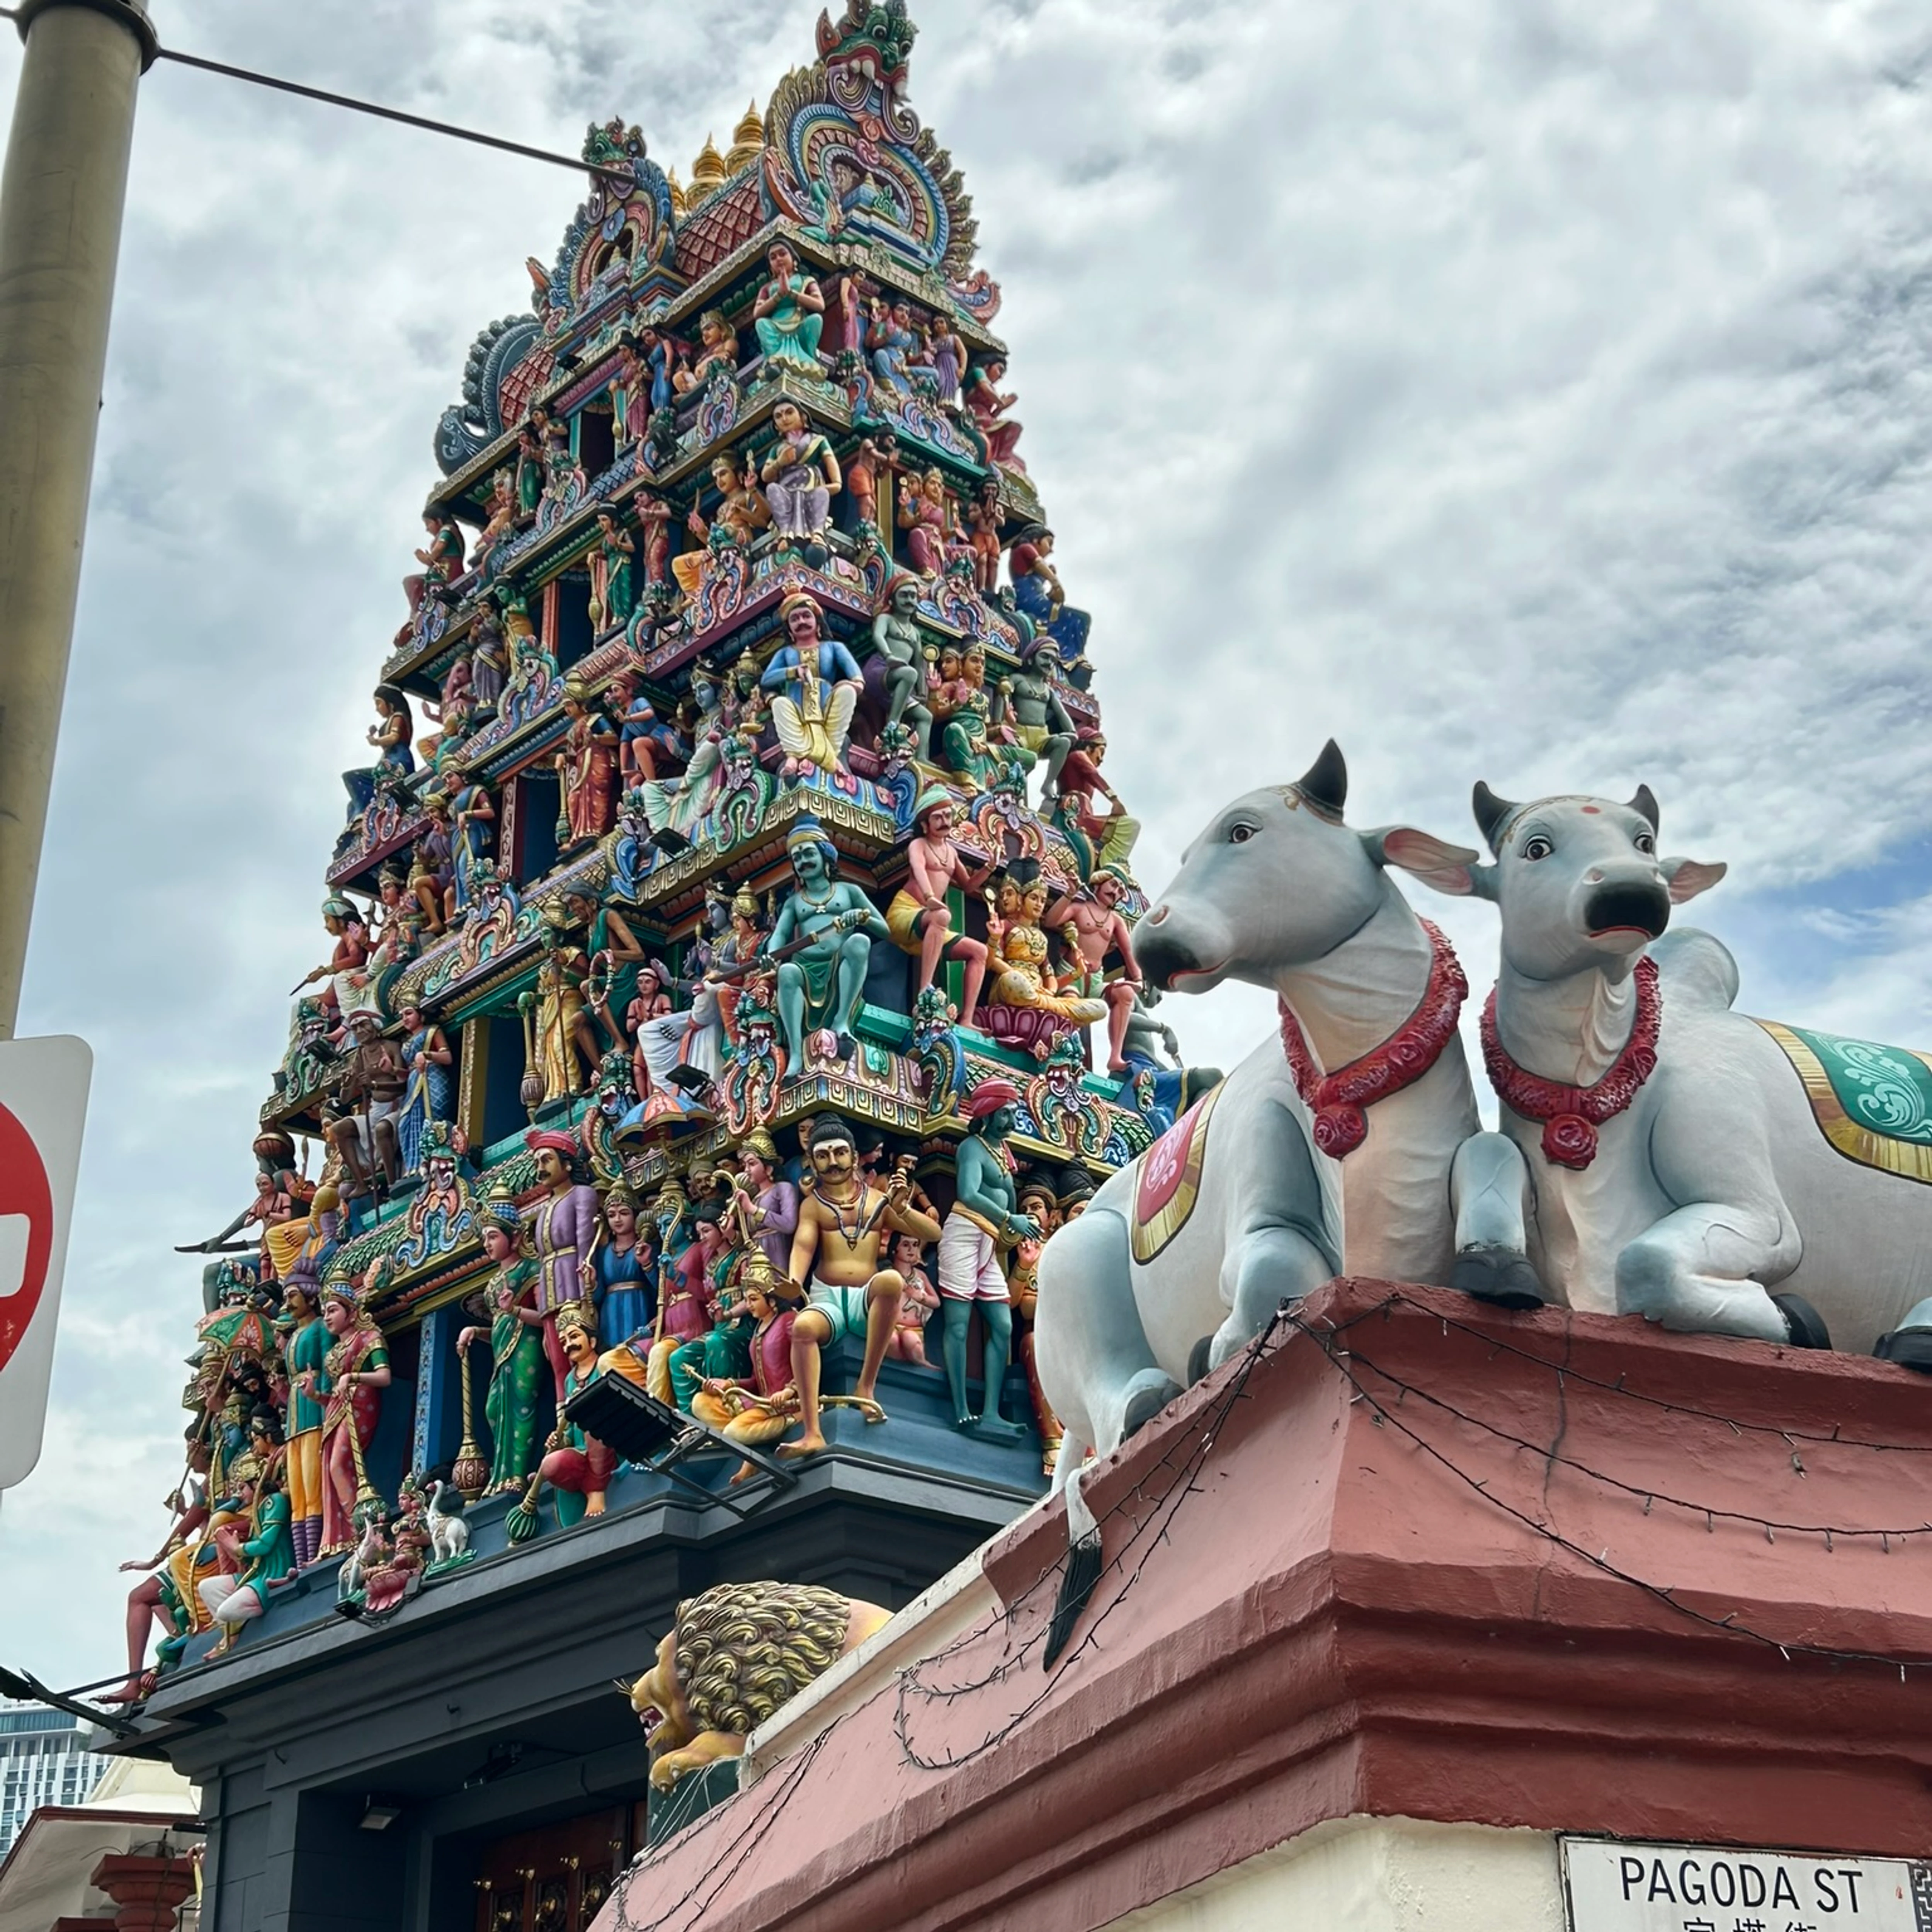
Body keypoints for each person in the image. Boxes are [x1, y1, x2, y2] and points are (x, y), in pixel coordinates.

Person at [782, 1113, 940, 1459]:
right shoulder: (813, 1206)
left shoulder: (878, 1201)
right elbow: (804, 1245)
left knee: (890, 1280)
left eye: (840, 1153)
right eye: (823, 1155)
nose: (833, 1162)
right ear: (812, 1161)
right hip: (827, 1297)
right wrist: (794, 1281)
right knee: (803, 1327)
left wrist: (903, 1210)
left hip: (865, 1300)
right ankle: (812, 1432)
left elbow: (934, 1233)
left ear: (855, 1157)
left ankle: (866, 1386)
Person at [938, 1080, 1038, 1431]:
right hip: (964, 1234)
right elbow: (968, 1193)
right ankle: (961, 1408)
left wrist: (1019, 1230)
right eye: (1006, 1113)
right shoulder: (973, 1148)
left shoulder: (1002, 1154)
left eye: (1014, 1113)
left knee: (1003, 1325)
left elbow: (1007, 1202)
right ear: (988, 1114)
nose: (1012, 1120)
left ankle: (992, 1413)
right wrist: (1011, 1218)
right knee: (959, 1323)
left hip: (991, 1243)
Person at [768, 816, 888, 1066]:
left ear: (826, 856)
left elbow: (885, 930)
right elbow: (780, 934)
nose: (803, 861)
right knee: (787, 971)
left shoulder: (849, 891)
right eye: (797, 858)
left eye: (809, 854)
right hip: (805, 967)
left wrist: (862, 916)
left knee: (859, 942)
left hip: (839, 964)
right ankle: (797, 1052)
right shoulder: (794, 902)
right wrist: (771, 955)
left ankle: (841, 1020)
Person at [457, 1189, 546, 1495]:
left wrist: (516, 1310)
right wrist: (475, 1331)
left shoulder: (531, 1270)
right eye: (485, 1238)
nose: (487, 1244)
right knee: (494, 1409)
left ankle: (517, 1475)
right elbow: (498, 1324)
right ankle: (501, 1475)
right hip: (502, 1353)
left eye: (494, 1236)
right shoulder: (493, 1284)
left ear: (516, 1237)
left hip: (527, 1345)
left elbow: (546, 1317)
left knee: (522, 1406)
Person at [885, 788, 994, 1025]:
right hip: (906, 912)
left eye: (948, 815)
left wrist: (989, 868)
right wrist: (929, 897)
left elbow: (968, 886)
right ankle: (925, 993)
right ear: (925, 825)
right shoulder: (919, 845)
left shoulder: (951, 852)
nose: (945, 821)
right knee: (942, 916)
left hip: (930, 920)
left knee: (980, 952)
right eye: (938, 817)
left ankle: (967, 1019)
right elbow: (918, 868)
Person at [690, 1259, 802, 1483]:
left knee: (733, 1432)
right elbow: (756, 1380)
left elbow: (806, 1362)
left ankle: (795, 1419)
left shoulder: (789, 1321)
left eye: (753, 1299)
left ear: (772, 1301)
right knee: (700, 1402)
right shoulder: (758, 1330)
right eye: (747, 1300)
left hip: (785, 1404)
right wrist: (729, 1384)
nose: (748, 1305)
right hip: (761, 1402)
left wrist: (790, 1391)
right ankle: (752, 1446)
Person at [310, 1276, 391, 1559]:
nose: (327, 1317)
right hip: (338, 1409)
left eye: (333, 1310)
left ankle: (360, 1530)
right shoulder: (334, 1352)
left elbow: (384, 1377)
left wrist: (354, 1377)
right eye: (324, 1312)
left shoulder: (370, 1338)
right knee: (332, 1468)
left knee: (338, 1466)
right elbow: (335, 1395)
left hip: (361, 1404)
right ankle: (344, 1536)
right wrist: (315, 1395)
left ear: (352, 1312)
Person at [1042, 866, 1145, 1075]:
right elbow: (1050, 921)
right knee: (1072, 1007)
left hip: (1096, 978)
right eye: (1113, 885)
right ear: (1099, 882)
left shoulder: (1115, 921)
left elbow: (1128, 950)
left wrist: (1138, 979)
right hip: (1072, 974)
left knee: (1125, 994)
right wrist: (1069, 894)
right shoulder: (1080, 908)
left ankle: (1115, 1057)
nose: (1115, 892)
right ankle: (1062, 1053)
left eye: (1121, 891)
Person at [759, 592, 864, 779]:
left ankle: (829, 753)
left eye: (806, 616)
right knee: (779, 703)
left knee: (848, 692)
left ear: (818, 623)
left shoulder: (834, 648)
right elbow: (766, 679)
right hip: (796, 711)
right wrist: (793, 672)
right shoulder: (785, 653)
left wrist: (851, 685)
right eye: (795, 619)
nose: (802, 622)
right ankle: (798, 756)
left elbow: (858, 680)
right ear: (789, 630)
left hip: (828, 710)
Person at [537, 1302, 619, 1525]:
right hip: (581, 1452)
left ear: (592, 1341)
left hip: (608, 1444)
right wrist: (560, 1440)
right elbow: (570, 1427)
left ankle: (596, 1491)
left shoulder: (605, 1366)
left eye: (574, 1337)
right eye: (563, 1342)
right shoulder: (569, 1380)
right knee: (551, 1464)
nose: (569, 1345)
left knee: (594, 1426)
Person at [327, 1008, 405, 1198]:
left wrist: (375, 1085)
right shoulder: (360, 1056)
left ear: (375, 1027)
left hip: (398, 1106)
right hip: (376, 1110)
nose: (360, 1031)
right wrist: (347, 1085)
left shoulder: (391, 1047)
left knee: (382, 1129)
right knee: (339, 1129)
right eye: (355, 1028)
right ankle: (361, 1183)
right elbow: (345, 1100)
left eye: (364, 1025)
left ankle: (392, 1184)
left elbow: (404, 1085)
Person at [760, 400, 842, 548]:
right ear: (776, 426)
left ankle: (817, 534)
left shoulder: (818, 441)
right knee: (772, 489)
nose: (784, 419)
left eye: (789, 412)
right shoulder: (777, 449)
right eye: (778, 416)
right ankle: (784, 533)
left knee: (821, 494)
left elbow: (837, 482)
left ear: (803, 417)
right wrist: (780, 462)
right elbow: (766, 476)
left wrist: (827, 488)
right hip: (785, 491)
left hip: (812, 488)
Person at [554, 679, 621, 845]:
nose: (567, 710)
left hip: (598, 759)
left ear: (581, 704)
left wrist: (596, 738)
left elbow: (614, 739)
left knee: (597, 792)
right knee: (574, 797)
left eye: (570, 705)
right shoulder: (572, 731)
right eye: (565, 706)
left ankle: (597, 830)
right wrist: (564, 758)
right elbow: (575, 756)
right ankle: (580, 835)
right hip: (583, 764)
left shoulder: (596, 719)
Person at [394, 1003, 454, 1175]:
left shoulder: (432, 1031)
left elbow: (447, 1057)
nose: (405, 1019)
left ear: (421, 1016)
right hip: (414, 1082)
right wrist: (392, 1070)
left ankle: (431, 1158)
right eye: (402, 1016)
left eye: (409, 1013)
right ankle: (413, 1167)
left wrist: (427, 1055)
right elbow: (408, 1072)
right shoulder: (406, 1044)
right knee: (405, 1124)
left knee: (433, 1116)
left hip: (432, 1076)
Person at [751, 243, 825, 372]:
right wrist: (779, 295)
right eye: (773, 258)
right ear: (771, 266)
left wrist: (792, 294)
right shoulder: (767, 288)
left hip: (800, 323)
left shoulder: (806, 280)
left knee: (816, 320)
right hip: (775, 325)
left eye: (783, 254)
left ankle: (808, 359)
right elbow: (757, 313)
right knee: (761, 323)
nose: (779, 259)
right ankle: (775, 361)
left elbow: (820, 305)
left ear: (794, 259)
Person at [884, 1232, 939, 1366]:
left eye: (915, 1245)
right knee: (891, 1340)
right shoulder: (887, 1275)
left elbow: (936, 1302)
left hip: (914, 1329)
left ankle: (922, 1362)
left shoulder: (920, 1276)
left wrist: (921, 1297)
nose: (911, 1250)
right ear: (894, 1249)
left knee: (911, 1341)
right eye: (905, 1245)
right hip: (892, 1327)